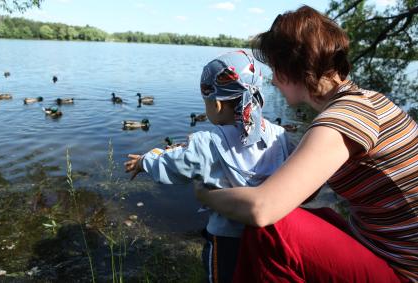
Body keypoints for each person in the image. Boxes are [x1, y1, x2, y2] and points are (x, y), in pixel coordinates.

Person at [194, 6, 418, 283]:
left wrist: (205, 194)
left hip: (402, 272)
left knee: (272, 228)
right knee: (312, 213)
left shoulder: (345, 116)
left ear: (292, 67)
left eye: (275, 69)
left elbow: (261, 209)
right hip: (380, 249)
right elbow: (304, 193)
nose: (273, 81)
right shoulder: (365, 101)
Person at [124, 50, 294, 283]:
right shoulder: (280, 136)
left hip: (227, 239)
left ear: (216, 103)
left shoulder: (208, 142)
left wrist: (145, 161)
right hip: (273, 235)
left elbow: (175, 164)